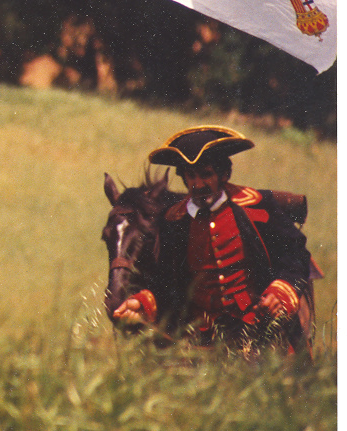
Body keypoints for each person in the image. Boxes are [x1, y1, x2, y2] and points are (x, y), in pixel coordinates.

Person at [112, 125, 315, 352]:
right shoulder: (174, 221)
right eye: (191, 176)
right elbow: (167, 284)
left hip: (259, 325)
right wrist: (142, 303)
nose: (198, 185)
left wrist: (282, 289)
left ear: (224, 174)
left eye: (206, 174)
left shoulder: (257, 205)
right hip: (201, 335)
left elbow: (296, 254)